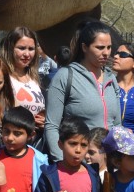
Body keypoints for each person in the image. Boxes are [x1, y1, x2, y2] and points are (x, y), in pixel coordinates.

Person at [44, 21, 119, 159]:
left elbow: (117, 125)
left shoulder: (112, 79)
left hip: (108, 166)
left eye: (109, 47)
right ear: (84, 47)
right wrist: (62, 162)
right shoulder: (65, 76)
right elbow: (51, 126)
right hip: (77, 165)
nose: (106, 53)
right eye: (100, 47)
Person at [0, 27, 47, 142]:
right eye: (21, 48)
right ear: (10, 48)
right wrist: (27, 121)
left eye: (31, 49)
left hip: (36, 143)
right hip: (10, 143)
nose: (27, 54)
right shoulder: (2, 76)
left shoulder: (37, 80)